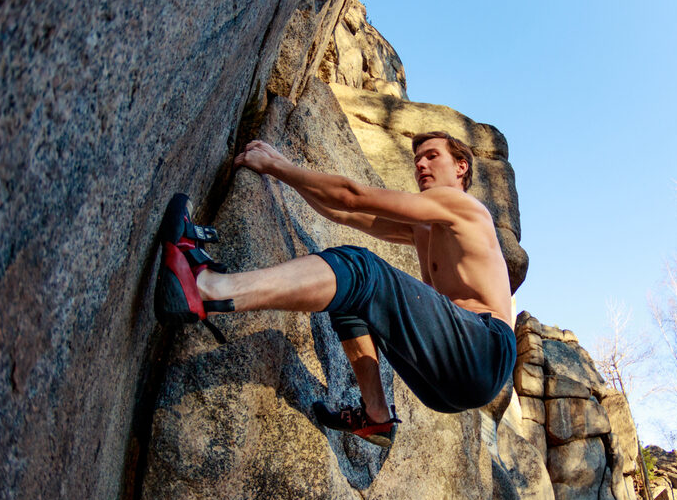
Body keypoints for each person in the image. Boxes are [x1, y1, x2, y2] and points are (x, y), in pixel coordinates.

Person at [154, 132, 516, 447]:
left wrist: (276, 165)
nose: (420, 164)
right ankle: (376, 414)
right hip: (448, 387)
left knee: (362, 269)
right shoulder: (424, 229)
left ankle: (206, 288)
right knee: (350, 298)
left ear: (461, 167)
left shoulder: (462, 206)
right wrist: (286, 175)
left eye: (432, 156)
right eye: (417, 158)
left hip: (486, 347)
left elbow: (351, 195)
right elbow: (344, 213)